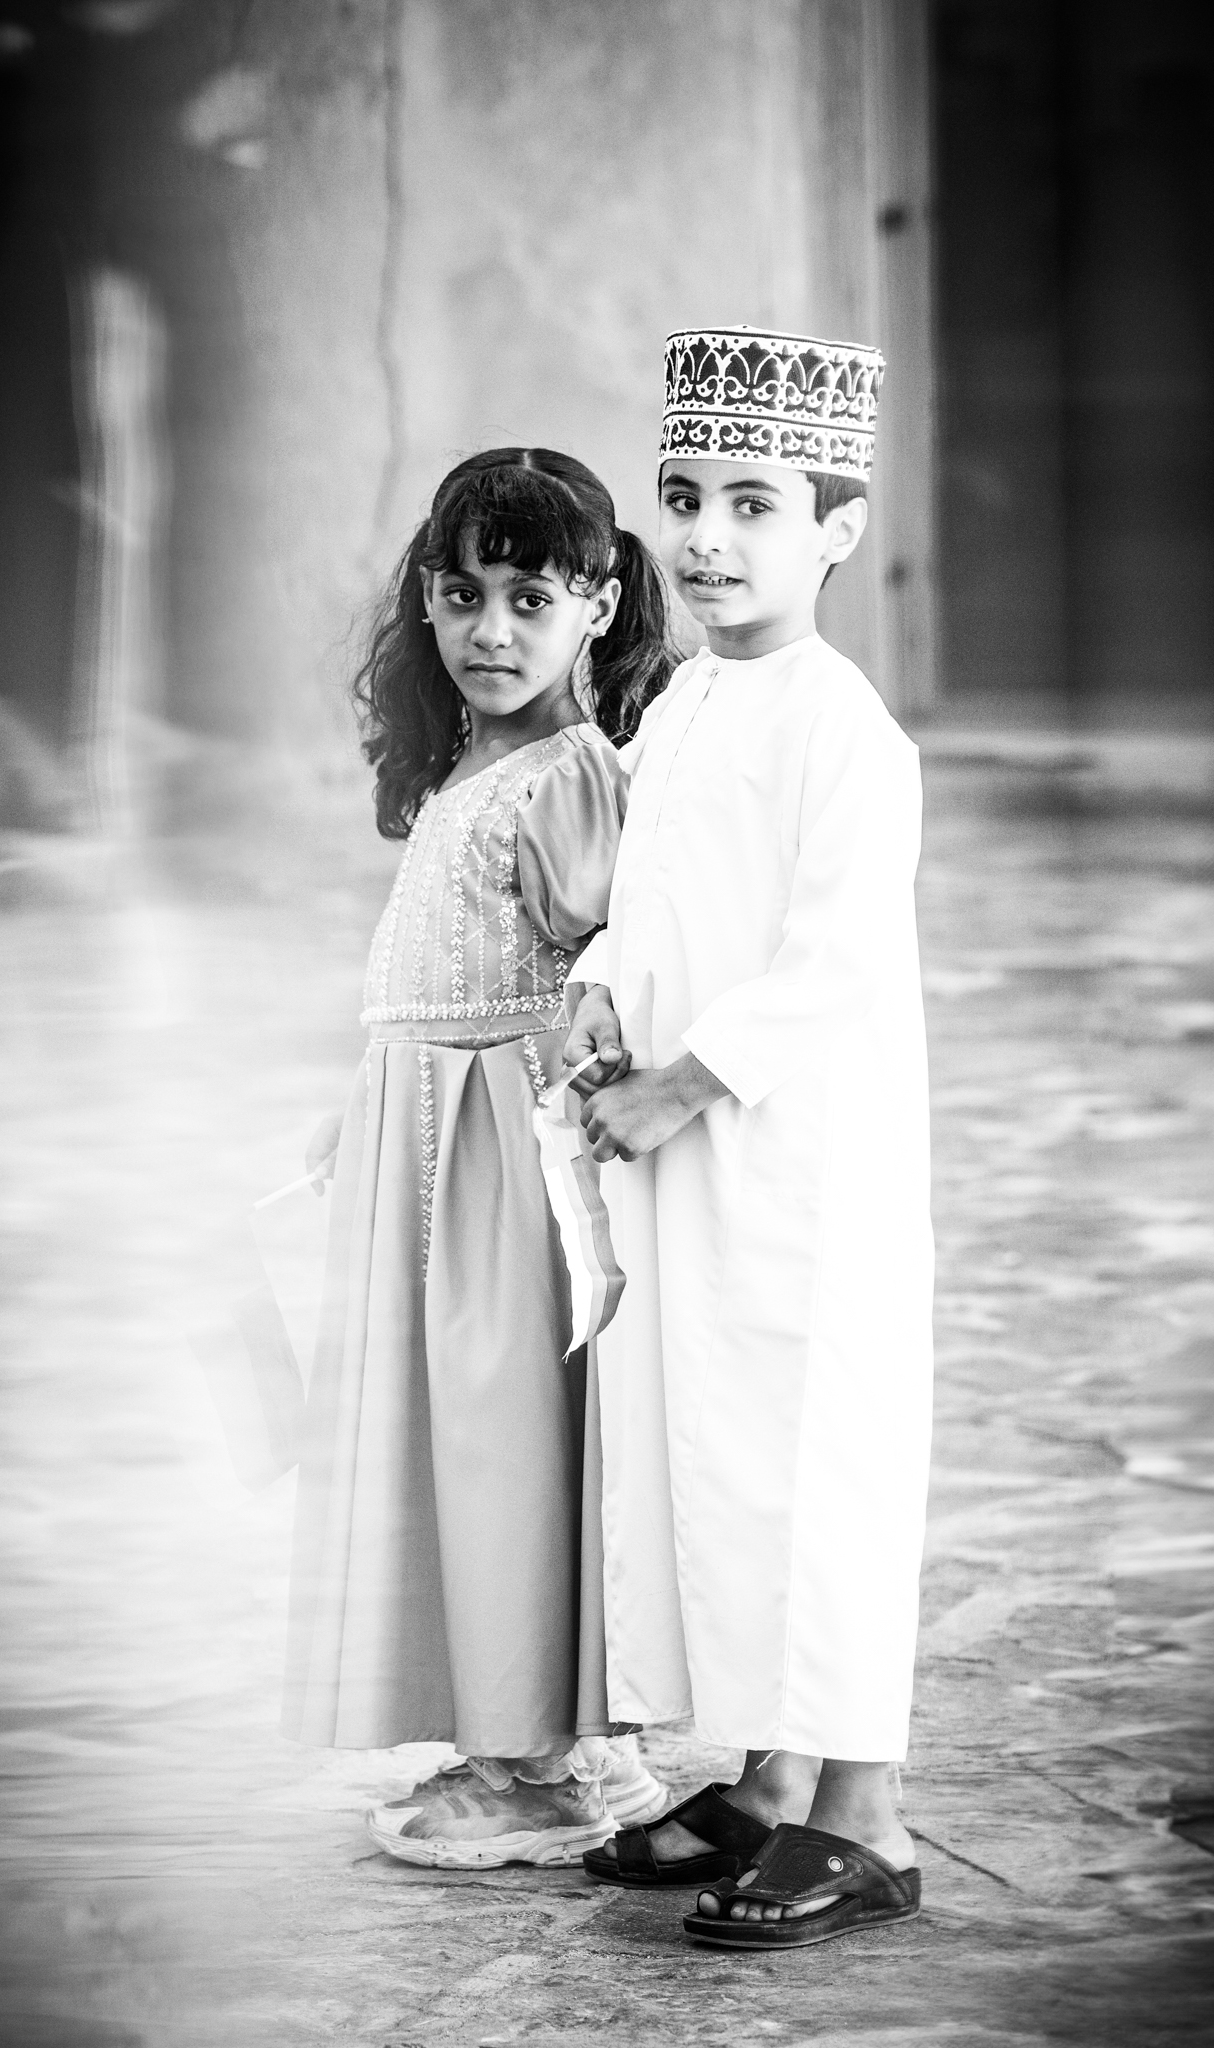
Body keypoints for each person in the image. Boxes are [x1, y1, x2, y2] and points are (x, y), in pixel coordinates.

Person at [563, 328, 934, 1947]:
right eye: (685, 498)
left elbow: (834, 961)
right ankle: (774, 1782)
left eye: (755, 504)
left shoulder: (844, 727)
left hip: (801, 1167)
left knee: (819, 1467)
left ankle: (868, 1816)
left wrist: (677, 1087)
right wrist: (596, 986)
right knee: (725, 1459)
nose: (708, 538)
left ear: (838, 528)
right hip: (700, 1160)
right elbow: (650, 892)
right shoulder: (692, 698)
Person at [284, 447, 679, 1866]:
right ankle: (545, 1740)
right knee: (457, 1443)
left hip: (503, 1154)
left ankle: (539, 1767)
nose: (491, 631)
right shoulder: (475, 764)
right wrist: (370, 1098)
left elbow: (611, 964)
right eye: (462, 596)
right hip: (430, 1136)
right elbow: (441, 968)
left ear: (599, 606)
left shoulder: (569, 776)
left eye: (531, 599)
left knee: (506, 1442)